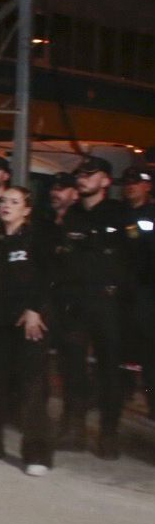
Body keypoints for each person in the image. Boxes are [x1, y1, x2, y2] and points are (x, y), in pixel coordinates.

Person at [0, 187, 56, 474]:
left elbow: (48, 276)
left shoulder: (35, 238)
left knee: (32, 387)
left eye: (15, 201)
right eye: (4, 200)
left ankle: (37, 455)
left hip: (27, 322)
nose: (7, 205)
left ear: (27, 209)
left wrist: (36, 309)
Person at [53, 156, 135, 459]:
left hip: (107, 302)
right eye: (80, 174)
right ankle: (73, 426)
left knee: (108, 369)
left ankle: (108, 432)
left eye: (90, 174)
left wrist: (121, 293)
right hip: (74, 302)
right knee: (72, 366)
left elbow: (134, 259)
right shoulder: (71, 215)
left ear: (105, 181)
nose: (82, 178)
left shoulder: (119, 214)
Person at [120, 165, 155, 418]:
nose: (130, 185)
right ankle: (121, 393)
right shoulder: (119, 214)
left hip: (147, 291)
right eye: (128, 181)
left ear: (148, 185)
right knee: (120, 346)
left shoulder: (151, 213)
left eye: (136, 181)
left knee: (148, 349)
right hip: (121, 291)